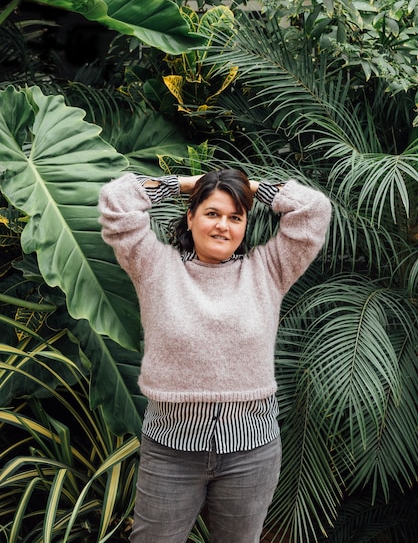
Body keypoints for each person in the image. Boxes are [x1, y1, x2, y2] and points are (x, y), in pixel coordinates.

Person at [98, 168, 332, 543]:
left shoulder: (268, 271)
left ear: (243, 226)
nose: (223, 225)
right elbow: (118, 199)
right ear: (190, 218)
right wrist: (190, 184)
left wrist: (245, 186)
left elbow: (314, 209)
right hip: (171, 449)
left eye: (235, 217)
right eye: (211, 213)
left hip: (252, 453)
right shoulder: (155, 267)